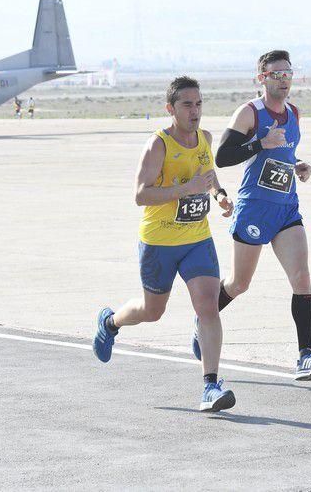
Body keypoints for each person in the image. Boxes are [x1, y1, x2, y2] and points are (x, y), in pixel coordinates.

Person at [93, 76, 237, 412]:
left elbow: (209, 172)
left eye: (199, 103)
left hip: (197, 239)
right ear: (170, 109)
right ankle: (110, 322)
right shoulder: (158, 145)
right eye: (187, 105)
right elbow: (140, 195)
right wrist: (185, 189)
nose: (195, 111)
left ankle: (211, 386)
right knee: (152, 311)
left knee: (208, 306)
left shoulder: (205, 138)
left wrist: (220, 195)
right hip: (159, 243)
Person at [192, 50, 311, 381]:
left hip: (286, 207)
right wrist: (260, 144)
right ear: (262, 79)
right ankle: (204, 320)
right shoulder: (249, 113)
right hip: (254, 207)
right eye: (276, 75)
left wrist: (298, 164)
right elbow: (224, 157)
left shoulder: (295, 113)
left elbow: (285, 151)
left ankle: (305, 355)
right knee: (239, 283)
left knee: (301, 277)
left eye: (288, 74)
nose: (284, 80)